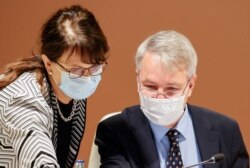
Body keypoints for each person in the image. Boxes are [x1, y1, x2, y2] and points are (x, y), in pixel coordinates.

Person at [95, 30, 249, 168]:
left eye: (171, 89)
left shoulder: (226, 131)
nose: (160, 97)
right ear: (138, 80)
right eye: (150, 86)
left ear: (190, 85)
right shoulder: (116, 131)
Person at [0, 5, 109, 168]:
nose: (87, 77)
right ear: (49, 64)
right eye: (76, 70)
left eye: (95, 67)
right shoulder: (23, 99)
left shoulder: (70, 89)